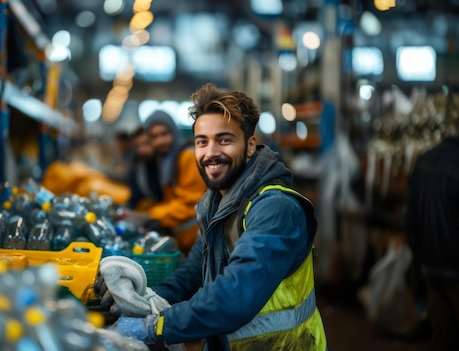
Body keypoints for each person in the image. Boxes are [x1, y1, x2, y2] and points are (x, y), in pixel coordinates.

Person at [109, 83, 327, 350]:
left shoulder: (275, 209)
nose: (210, 153)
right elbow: (194, 269)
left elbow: (236, 296)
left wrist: (154, 327)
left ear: (249, 146)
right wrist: (146, 297)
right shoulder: (217, 202)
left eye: (224, 140)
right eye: (202, 142)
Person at [405, 110, 459, 351]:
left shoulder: (425, 160)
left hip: (431, 271)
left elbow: (411, 220)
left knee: (442, 339)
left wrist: (420, 260)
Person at [123, 110, 206, 255]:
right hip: (183, 242)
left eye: (165, 134)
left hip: (198, 241)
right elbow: (170, 199)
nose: (160, 141)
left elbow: (189, 204)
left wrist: (151, 216)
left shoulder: (187, 157)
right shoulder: (166, 161)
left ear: (174, 132)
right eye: (154, 136)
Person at [126, 126, 163, 212]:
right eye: (137, 146)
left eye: (146, 144)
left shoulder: (167, 165)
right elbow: (134, 197)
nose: (141, 150)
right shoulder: (139, 167)